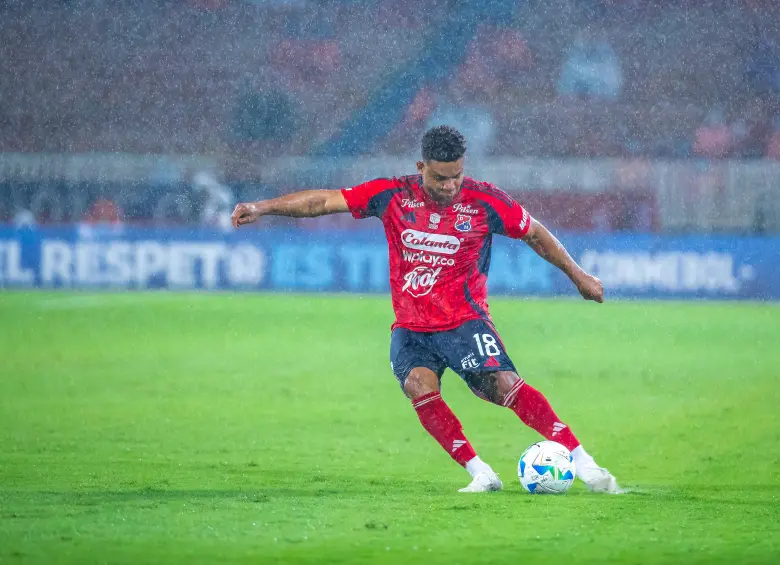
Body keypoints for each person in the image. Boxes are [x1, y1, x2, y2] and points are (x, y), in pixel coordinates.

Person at [231, 125, 624, 494]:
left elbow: (535, 233)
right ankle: (480, 472)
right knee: (419, 385)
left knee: (504, 385)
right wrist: (263, 207)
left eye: (456, 176)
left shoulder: (485, 200)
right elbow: (323, 201)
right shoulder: (392, 195)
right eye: (440, 178)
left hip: (464, 321)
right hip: (411, 326)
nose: (450, 186)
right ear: (421, 168)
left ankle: (582, 460)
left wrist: (578, 276)